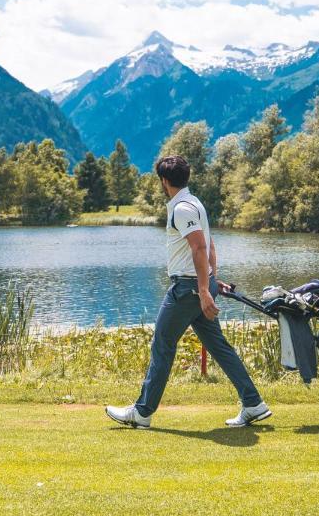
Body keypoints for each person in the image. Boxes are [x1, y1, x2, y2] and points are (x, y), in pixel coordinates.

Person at [106, 155, 271, 429]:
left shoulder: (181, 208)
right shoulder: (194, 203)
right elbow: (209, 245)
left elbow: (200, 248)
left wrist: (205, 289)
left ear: (164, 181)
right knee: (219, 346)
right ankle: (253, 403)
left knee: (162, 344)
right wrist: (213, 280)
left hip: (186, 290)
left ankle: (142, 412)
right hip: (198, 286)